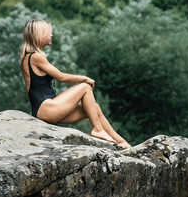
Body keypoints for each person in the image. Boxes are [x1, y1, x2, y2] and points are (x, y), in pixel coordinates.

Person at [20, 19, 131, 149]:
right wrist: (84, 78)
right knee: (85, 87)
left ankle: (121, 142)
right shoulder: (35, 57)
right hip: (46, 109)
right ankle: (97, 129)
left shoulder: (30, 56)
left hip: (47, 110)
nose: (51, 35)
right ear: (40, 35)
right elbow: (61, 77)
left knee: (93, 108)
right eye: (49, 33)